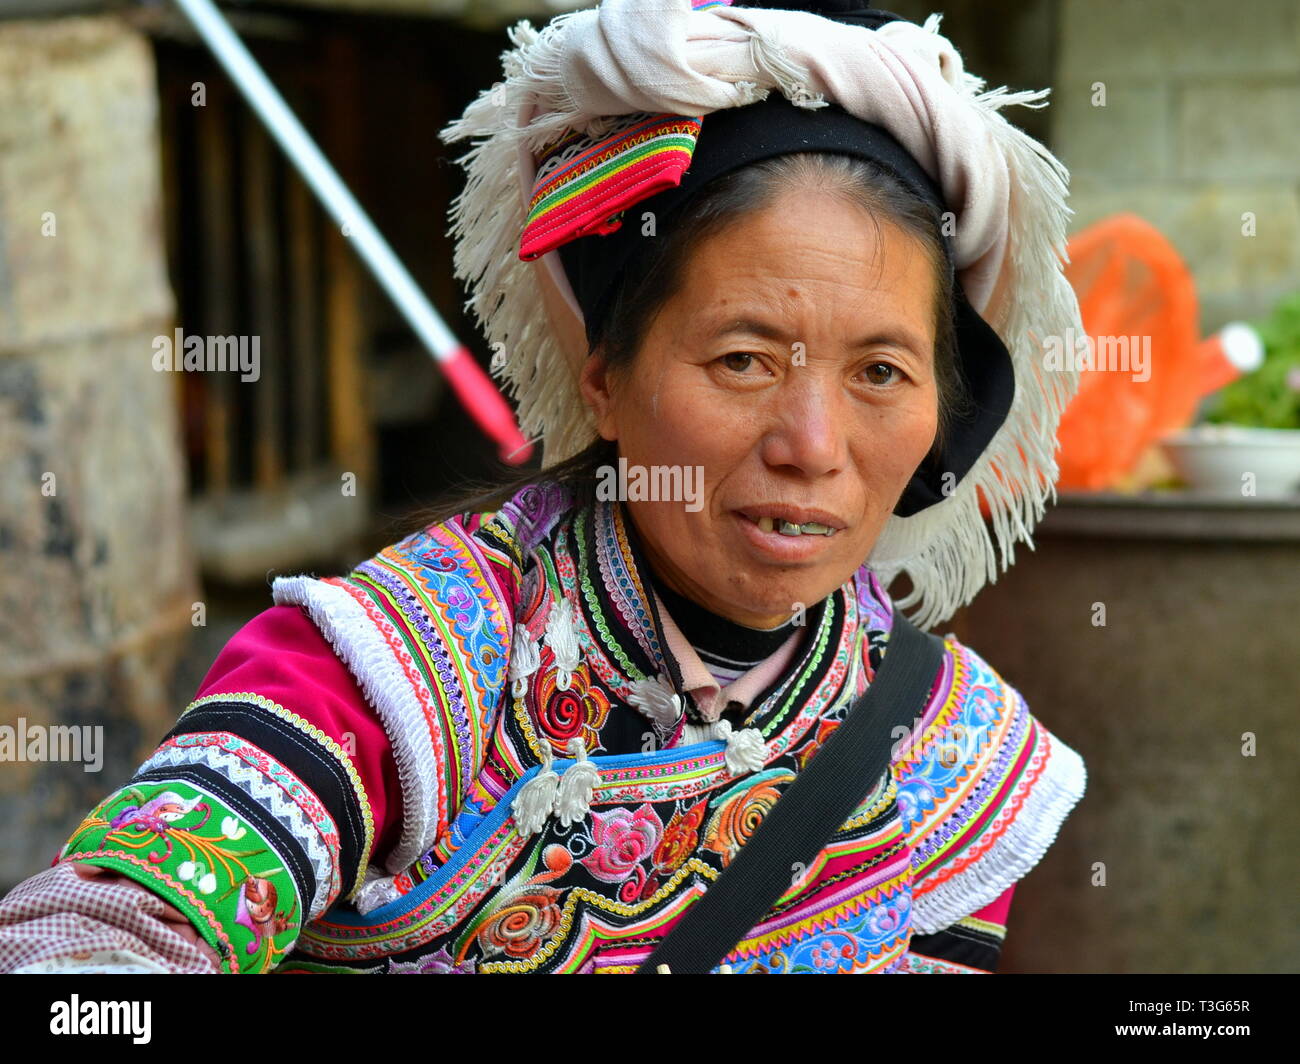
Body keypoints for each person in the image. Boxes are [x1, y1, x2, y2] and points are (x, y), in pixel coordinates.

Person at [0, 0, 1087, 974]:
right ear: (605, 376)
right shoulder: (409, 667)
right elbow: (94, 944)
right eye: (743, 359)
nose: (811, 442)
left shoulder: (948, 759)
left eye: (881, 374)